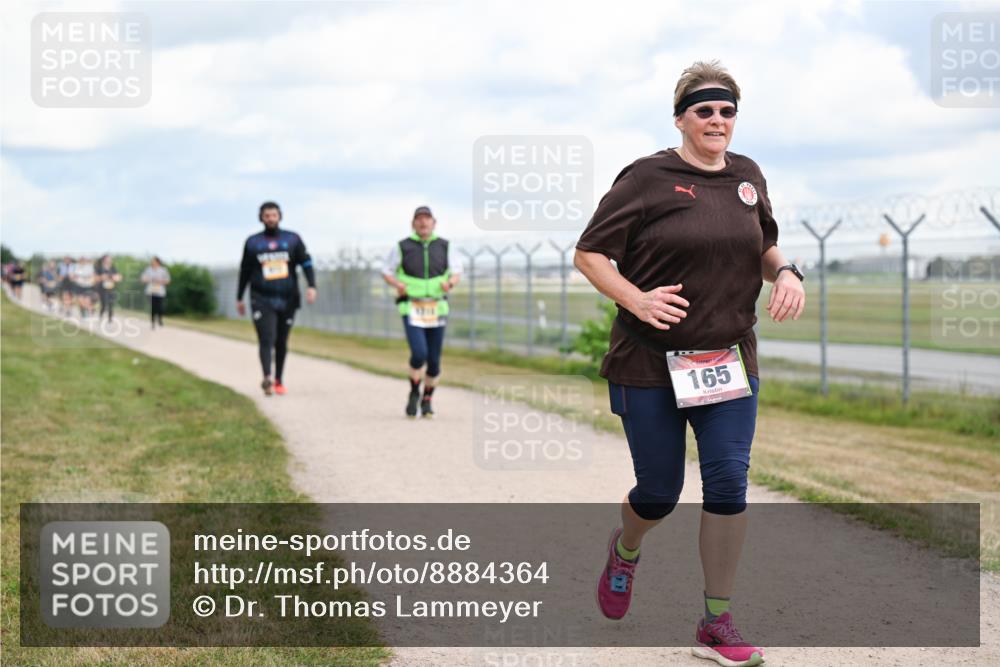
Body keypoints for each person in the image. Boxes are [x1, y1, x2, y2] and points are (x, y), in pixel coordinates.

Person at [574, 61, 805, 667]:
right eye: (705, 111)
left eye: (727, 111)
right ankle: (625, 549)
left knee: (728, 483)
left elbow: (764, 243)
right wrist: (635, 297)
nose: (718, 121)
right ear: (681, 118)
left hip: (726, 359)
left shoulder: (747, 177)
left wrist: (786, 270)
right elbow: (590, 253)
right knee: (660, 493)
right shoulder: (648, 178)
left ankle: (716, 622)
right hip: (649, 363)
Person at [381, 205, 460, 418]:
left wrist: (450, 283)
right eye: (419, 219)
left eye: (427, 219)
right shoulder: (402, 247)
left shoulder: (445, 246)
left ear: (434, 223)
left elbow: (456, 271)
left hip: (436, 307)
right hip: (412, 307)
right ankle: (414, 391)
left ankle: (427, 399)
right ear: (413, 224)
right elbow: (387, 271)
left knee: (434, 361)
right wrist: (397, 284)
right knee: (419, 353)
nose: (423, 223)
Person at [237, 201, 317, 396]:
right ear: (261, 218)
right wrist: (239, 297)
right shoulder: (253, 242)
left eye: (274, 215)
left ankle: (279, 379)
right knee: (267, 338)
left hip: (288, 297)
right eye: (267, 215)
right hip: (261, 297)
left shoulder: (292, 239)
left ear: (279, 216)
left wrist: (312, 285)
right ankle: (267, 377)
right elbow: (245, 271)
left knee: (281, 340)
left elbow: (306, 263)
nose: (271, 219)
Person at [141, 257, 171, 328]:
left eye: (154, 261)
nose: (152, 262)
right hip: (150, 291)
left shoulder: (163, 270)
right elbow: (143, 279)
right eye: (152, 261)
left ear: (158, 262)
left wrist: (160, 281)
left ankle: (160, 319)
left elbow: (168, 280)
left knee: (160, 307)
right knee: (153, 307)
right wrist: (150, 279)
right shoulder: (148, 270)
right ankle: (153, 322)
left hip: (160, 291)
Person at [95, 254, 122, 322]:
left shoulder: (113, 268)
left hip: (111, 288)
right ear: (104, 260)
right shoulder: (99, 268)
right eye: (108, 259)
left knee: (111, 303)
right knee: (104, 304)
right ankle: (101, 316)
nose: (109, 261)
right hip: (102, 288)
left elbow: (119, 277)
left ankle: (110, 319)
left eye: (110, 259)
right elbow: (95, 278)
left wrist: (114, 277)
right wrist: (102, 277)